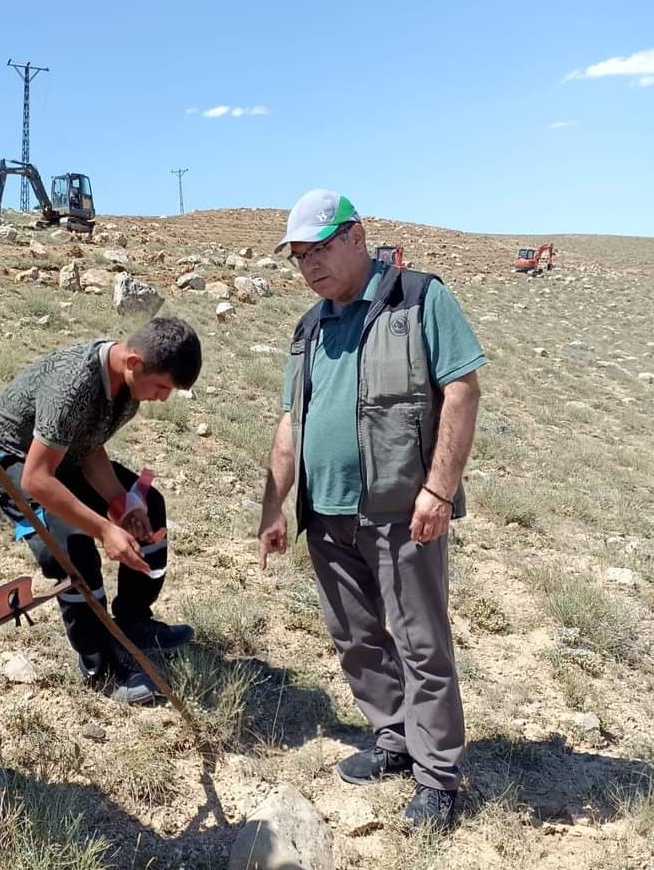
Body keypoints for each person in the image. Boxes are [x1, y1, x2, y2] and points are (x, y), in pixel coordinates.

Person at [257, 189, 485, 828]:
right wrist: (274, 508)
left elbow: (462, 390)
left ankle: (439, 773)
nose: (308, 266)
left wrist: (438, 490)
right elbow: (288, 424)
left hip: (399, 509)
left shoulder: (418, 300)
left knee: (420, 642)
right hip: (324, 514)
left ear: (356, 236)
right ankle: (393, 737)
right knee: (354, 638)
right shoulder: (309, 326)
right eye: (299, 256)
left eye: (319, 249)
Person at [0, 317, 202, 703]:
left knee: (148, 504)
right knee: (70, 546)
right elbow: (37, 479)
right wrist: (104, 529)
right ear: (133, 362)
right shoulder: (73, 387)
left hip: (61, 455)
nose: (163, 398)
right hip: (11, 459)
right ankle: (97, 660)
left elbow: (88, 445)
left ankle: (132, 623)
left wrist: (121, 503)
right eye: (162, 386)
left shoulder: (128, 387)